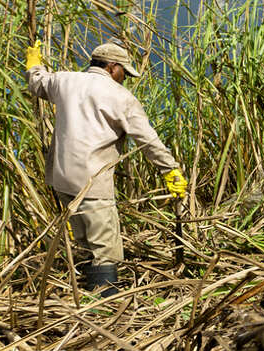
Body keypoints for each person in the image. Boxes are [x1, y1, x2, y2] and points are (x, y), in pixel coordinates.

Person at [24, 40, 187, 295]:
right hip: (93, 183)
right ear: (112, 67)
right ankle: (105, 308)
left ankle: (87, 297)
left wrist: (34, 63)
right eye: (124, 71)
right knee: (107, 251)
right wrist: (170, 170)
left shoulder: (64, 80)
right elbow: (147, 140)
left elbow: (37, 83)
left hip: (62, 180)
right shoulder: (120, 96)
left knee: (84, 243)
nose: (125, 78)